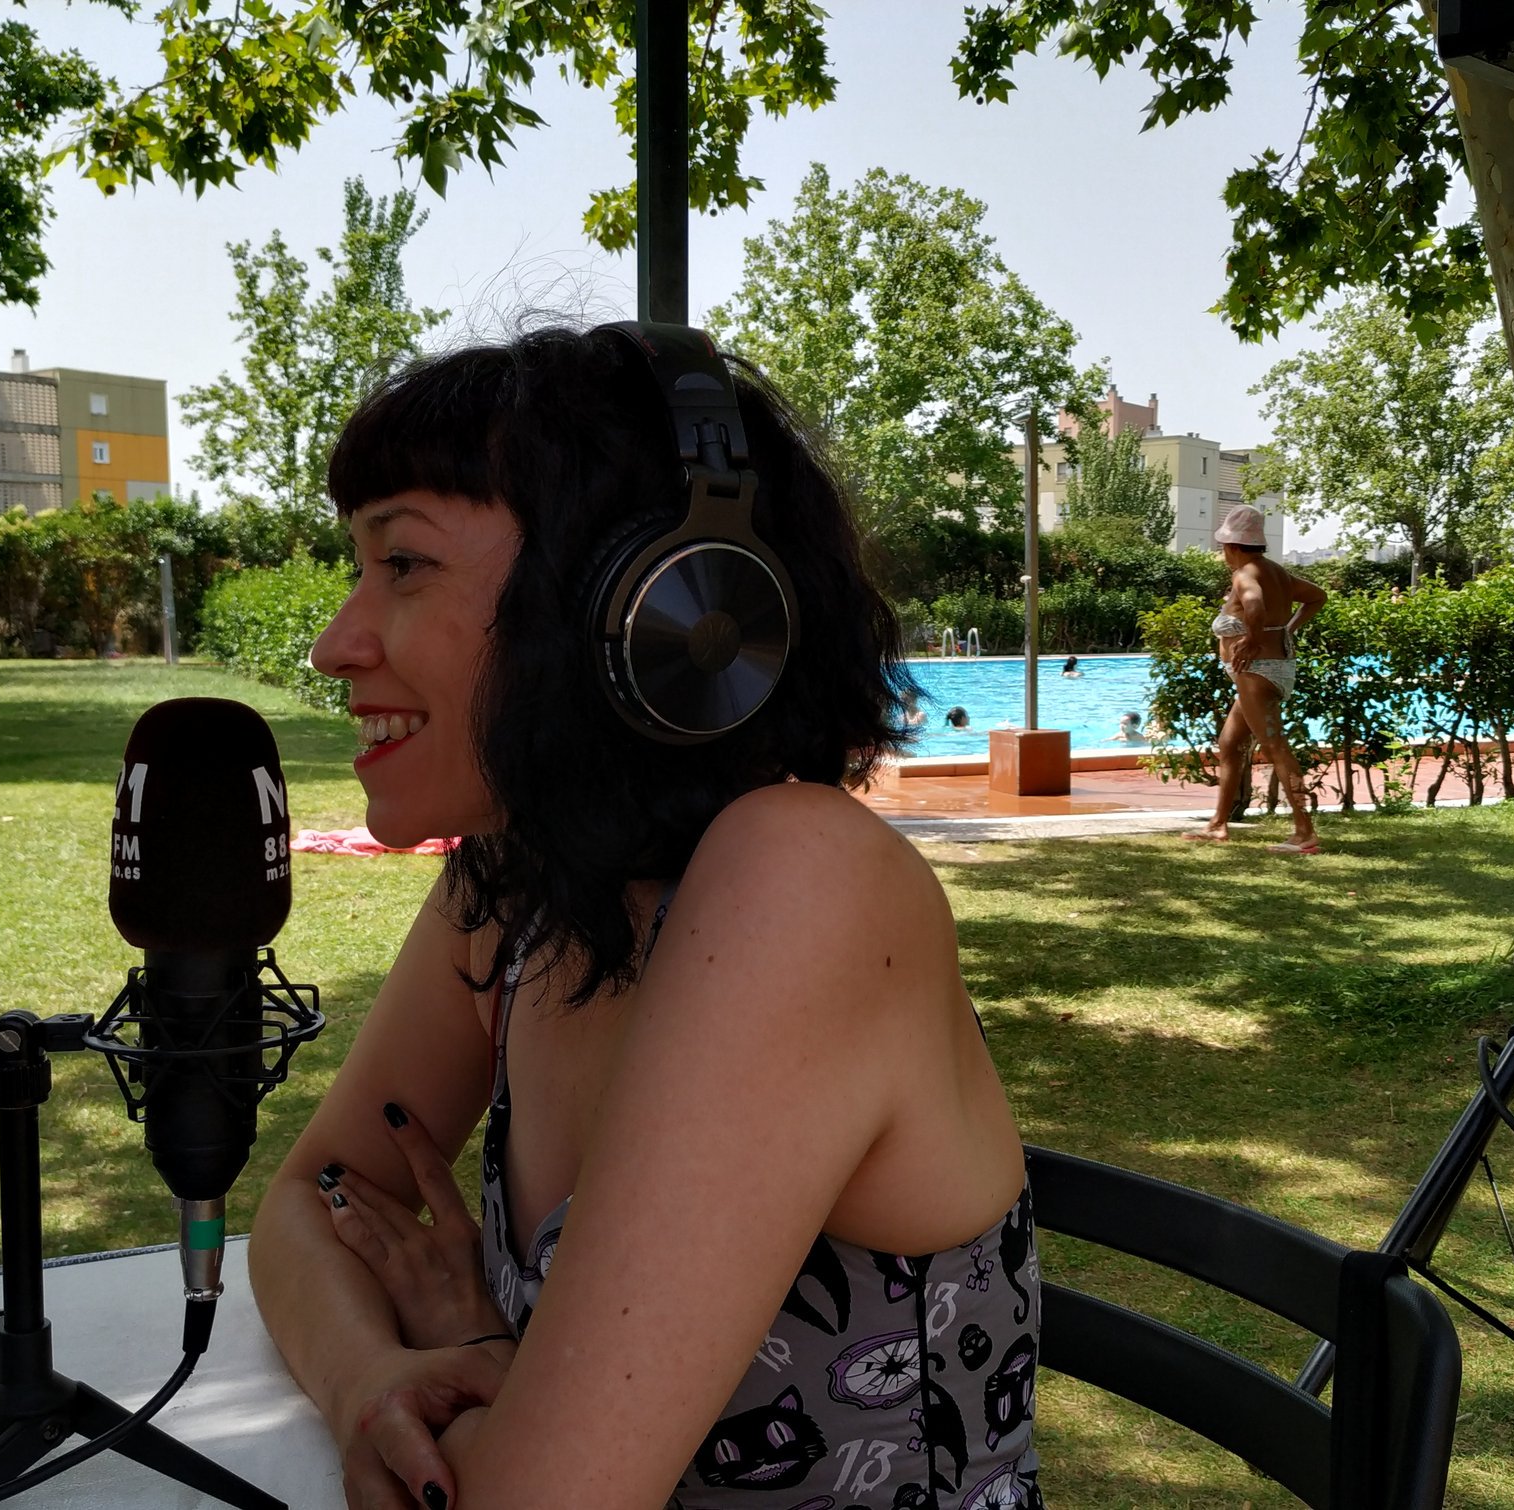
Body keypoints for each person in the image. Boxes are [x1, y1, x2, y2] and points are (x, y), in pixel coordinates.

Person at [249, 327, 1042, 1510]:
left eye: (402, 564)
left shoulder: (803, 881)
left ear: (651, 600)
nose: (334, 642)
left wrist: (490, 1372)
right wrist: (377, 1377)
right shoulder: (511, 886)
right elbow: (307, 1204)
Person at [1185, 504, 1327, 852]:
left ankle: (1304, 832)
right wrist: (1288, 629)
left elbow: (1255, 605)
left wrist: (1251, 637)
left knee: (1275, 746)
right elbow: (1317, 597)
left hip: (1256, 672)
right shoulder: (1275, 571)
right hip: (1265, 670)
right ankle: (1218, 825)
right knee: (1230, 744)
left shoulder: (1246, 574)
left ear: (1231, 546)